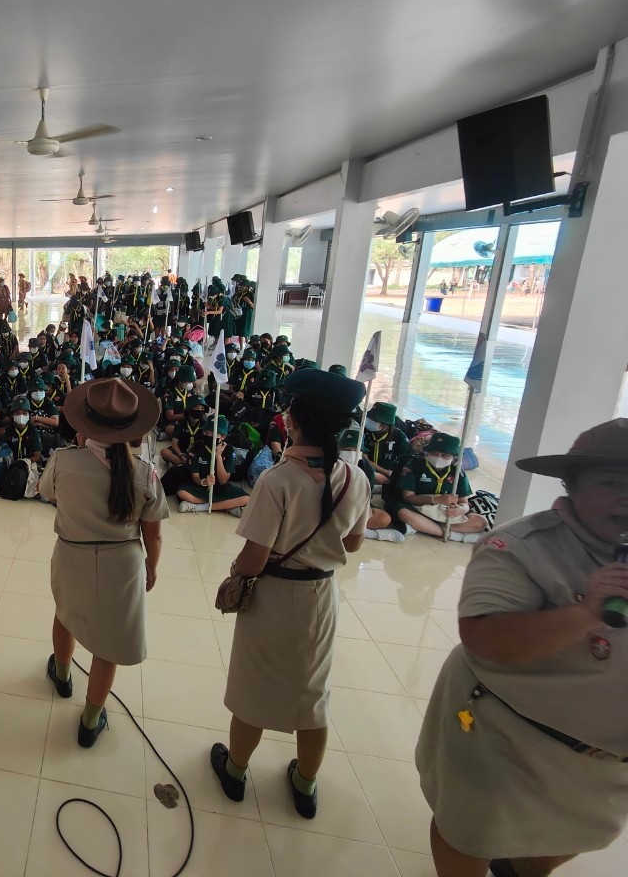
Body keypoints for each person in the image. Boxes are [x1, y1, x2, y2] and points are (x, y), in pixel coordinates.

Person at [416, 419, 628, 877]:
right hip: (507, 737)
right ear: (571, 484)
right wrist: (585, 612)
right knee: (469, 828)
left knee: (575, 835)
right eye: (613, 483)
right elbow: (485, 639)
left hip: (607, 764)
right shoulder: (517, 546)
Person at [210, 369, 371, 819]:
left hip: (275, 598)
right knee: (312, 694)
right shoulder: (355, 478)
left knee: (254, 688)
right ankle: (305, 783)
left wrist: (235, 576)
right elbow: (354, 543)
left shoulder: (277, 480)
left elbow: (255, 558)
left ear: (293, 419)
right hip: (321, 597)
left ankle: (235, 771)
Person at [41, 376, 168, 747]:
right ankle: (90, 720)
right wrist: (152, 566)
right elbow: (153, 535)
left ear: (85, 424)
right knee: (108, 644)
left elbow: (48, 494)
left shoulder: (63, 461)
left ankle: (62, 676)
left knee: (66, 614)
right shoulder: (145, 473)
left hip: (72, 553)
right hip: (122, 564)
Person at [390, 432, 489, 543]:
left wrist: (461, 509)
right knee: (404, 514)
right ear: (427, 452)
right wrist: (435, 499)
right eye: (433, 453)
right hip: (417, 509)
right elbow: (408, 498)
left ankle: (426, 527)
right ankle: (453, 535)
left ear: (454, 457)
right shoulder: (413, 466)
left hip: (443, 513)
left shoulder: (457, 473)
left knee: (480, 522)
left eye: (445, 455)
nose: (438, 458)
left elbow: (463, 501)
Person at [362, 401, 411, 484]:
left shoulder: (398, 436)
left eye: (374, 420)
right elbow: (364, 459)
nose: (369, 421)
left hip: (390, 478)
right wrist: (387, 473)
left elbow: (408, 457)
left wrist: (397, 474)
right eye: (369, 418)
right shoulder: (363, 432)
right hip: (365, 474)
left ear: (385, 425)